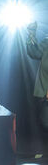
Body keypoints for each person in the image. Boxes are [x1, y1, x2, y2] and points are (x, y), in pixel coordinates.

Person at [23, 20, 48, 157]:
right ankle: (42, 150)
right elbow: (34, 53)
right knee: (44, 121)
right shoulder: (47, 42)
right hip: (45, 90)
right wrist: (31, 34)